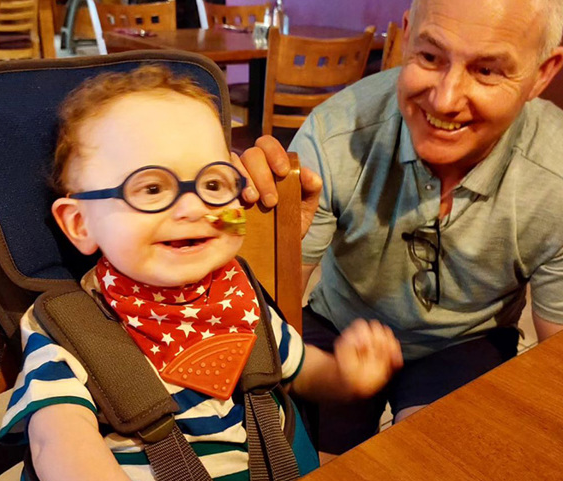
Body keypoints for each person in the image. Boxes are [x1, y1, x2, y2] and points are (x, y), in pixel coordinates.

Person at [0, 65, 402, 481]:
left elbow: (302, 372)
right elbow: (60, 450)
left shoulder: (241, 296)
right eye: (151, 188)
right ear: (81, 225)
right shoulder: (66, 331)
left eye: (213, 183)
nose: (193, 207)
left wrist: (348, 376)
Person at [235, 0, 563, 451]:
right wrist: (261, 233)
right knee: (295, 455)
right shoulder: (336, 133)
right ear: (406, 36)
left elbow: (554, 364)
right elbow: (270, 315)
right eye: (430, 57)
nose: (445, 100)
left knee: (436, 466)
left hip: (469, 339)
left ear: (543, 74)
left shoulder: (556, 173)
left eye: (487, 70)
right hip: (340, 322)